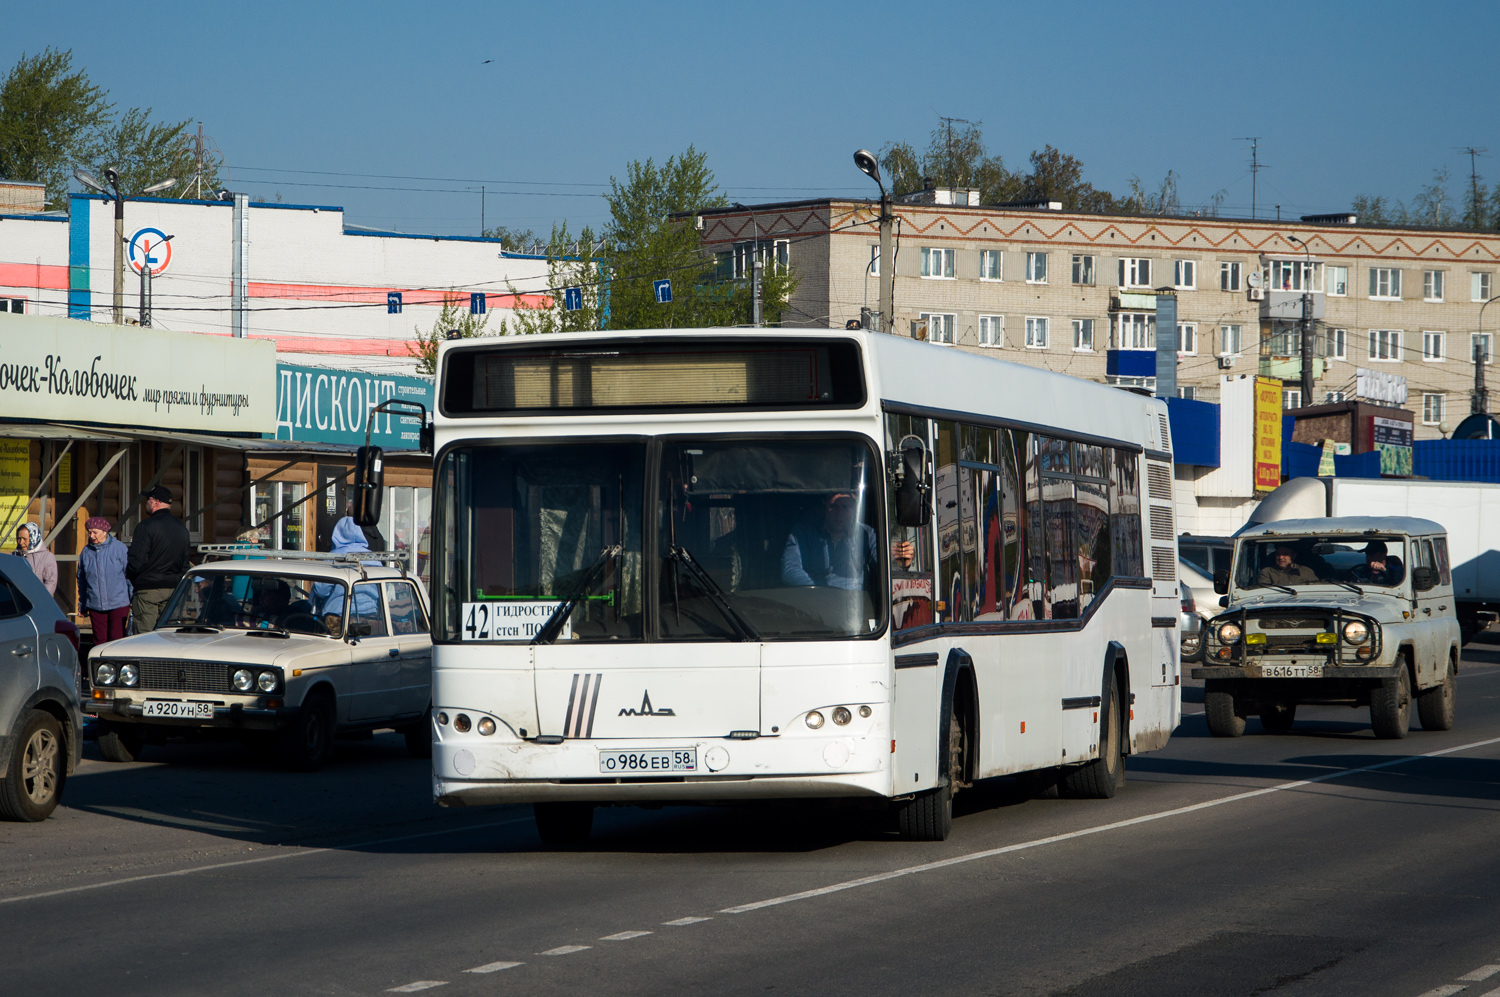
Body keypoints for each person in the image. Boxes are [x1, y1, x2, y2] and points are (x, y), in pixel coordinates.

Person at [781, 493, 882, 590]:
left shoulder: (867, 534)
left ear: (855, 509)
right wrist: (821, 593)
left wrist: (893, 558)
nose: (839, 513)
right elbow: (790, 571)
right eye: (833, 506)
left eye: (845, 507)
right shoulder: (803, 532)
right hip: (812, 600)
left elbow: (883, 562)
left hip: (853, 602)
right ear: (824, 505)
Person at [126, 485, 191, 632]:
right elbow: (185, 562)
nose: (145, 503)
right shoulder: (182, 529)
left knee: (144, 636)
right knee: (169, 634)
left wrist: (131, 577)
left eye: (147, 499)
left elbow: (137, 560)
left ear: (156, 502)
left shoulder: (146, 526)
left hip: (148, 589)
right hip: (173, 588)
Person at [311, 517, 381, 637]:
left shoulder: (331, 559)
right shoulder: (374, 559)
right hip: (370, 617)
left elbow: (321, 591)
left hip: (337, 619)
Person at [78, 517, 132, 645]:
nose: (92, 536)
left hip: (118, 602)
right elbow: (82, 580)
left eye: (95, 532)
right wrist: (82, 604)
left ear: (104, 531)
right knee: (99, 640)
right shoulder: (86, 552)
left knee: (116, 639)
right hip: (95, 604)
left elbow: (129, 575)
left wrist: (131, 598)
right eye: (89, 532)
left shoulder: (119, 548)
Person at [13, 522, 57, 596]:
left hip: (38, 602)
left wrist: (40, 599)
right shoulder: (14, 556)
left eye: (24, 539)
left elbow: (50, 583)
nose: (21, 542)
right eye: (19, 538)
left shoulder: (47, 557)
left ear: (33, 537)